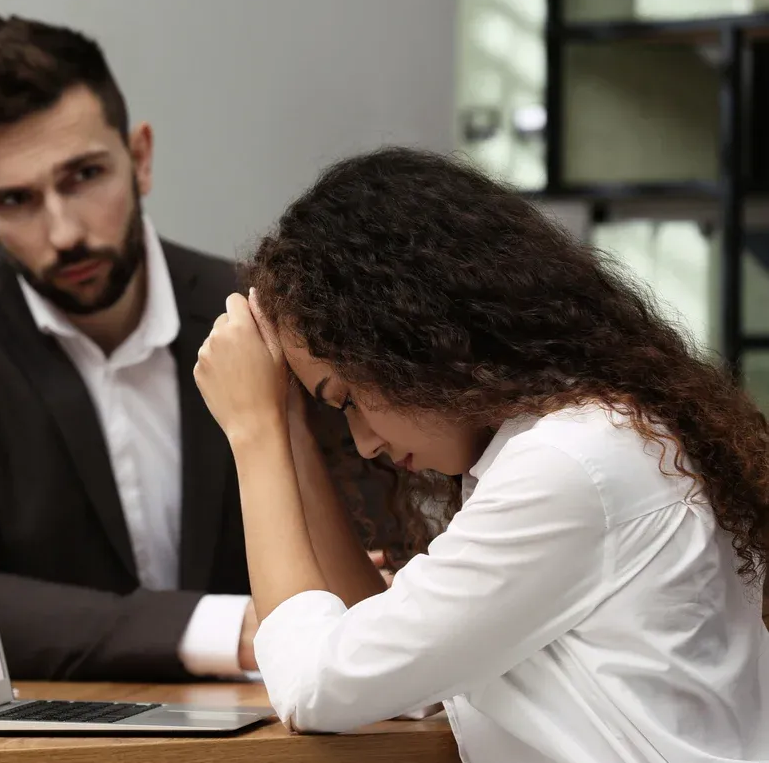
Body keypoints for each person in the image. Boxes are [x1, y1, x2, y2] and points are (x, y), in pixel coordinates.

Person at [0, 12, 389, 685]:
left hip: (279, 730)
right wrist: (233, 627)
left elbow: (372, 544)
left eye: (83, 176)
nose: (63, 230)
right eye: (14, 200)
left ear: (141, 157)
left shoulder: (260, 310)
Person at [193, 148, 769, 761]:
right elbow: (386, 659)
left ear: (409, 336)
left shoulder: (568, 465)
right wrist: (286, 424)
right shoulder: (586, 436)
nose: (365, 444)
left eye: (349, 398)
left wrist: (252, 433)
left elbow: (316, 687)